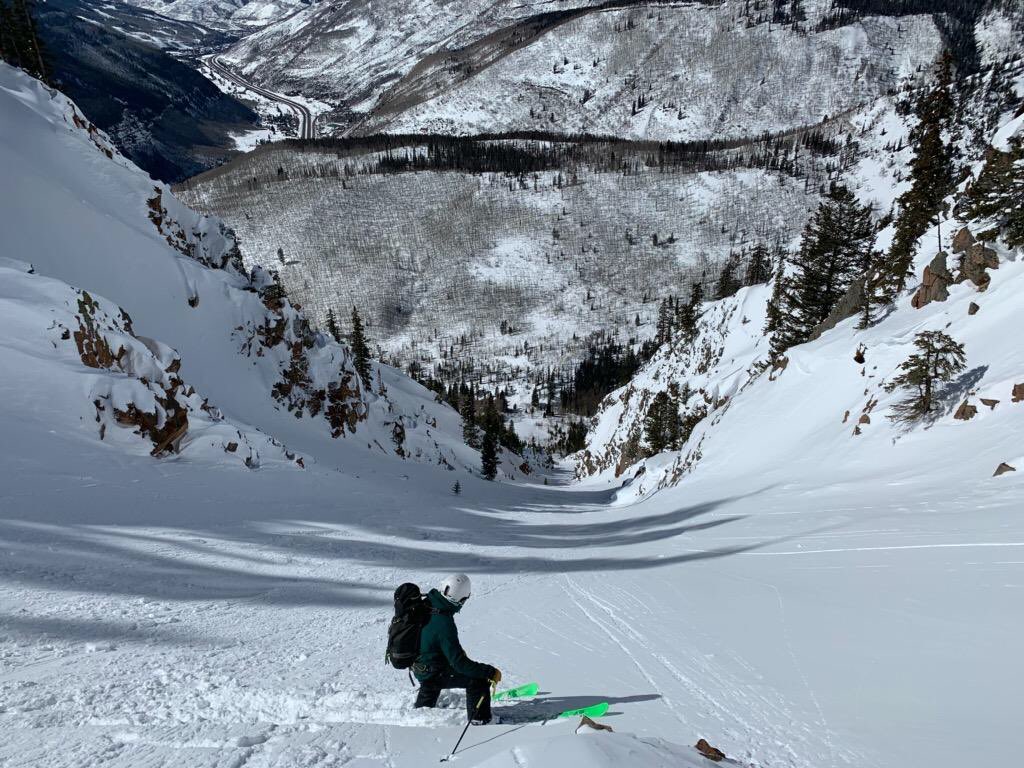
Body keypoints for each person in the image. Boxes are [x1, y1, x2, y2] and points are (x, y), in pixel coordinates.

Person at [413, 573, 502, 724]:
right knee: (478, 679)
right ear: (461, 599)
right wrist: (490, 672)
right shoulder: (444, 622)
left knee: (434, 675)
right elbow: (460, 664)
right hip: (432, 672)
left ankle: (423, 707)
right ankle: (480, 721)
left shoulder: (427, 603)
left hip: (419, 666)